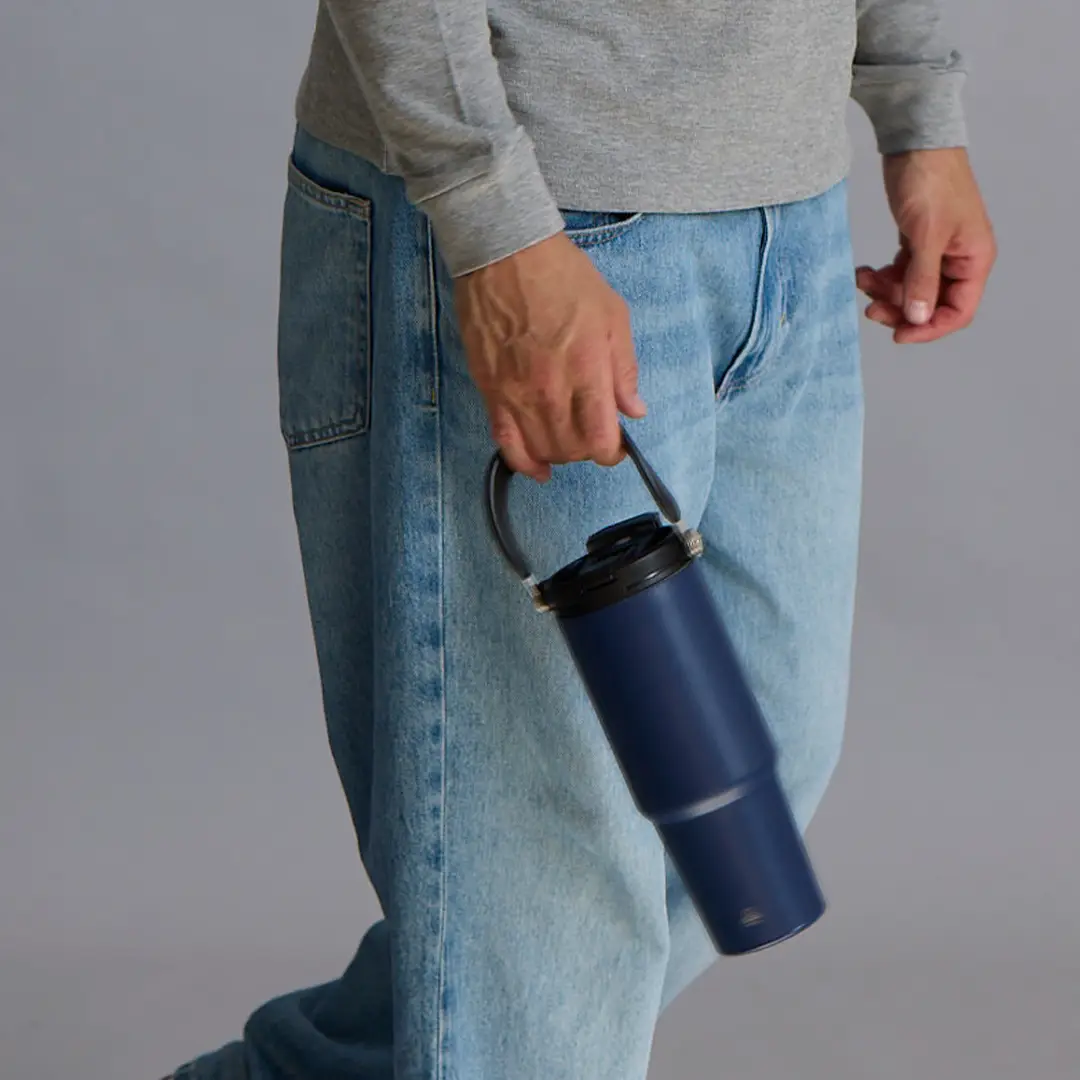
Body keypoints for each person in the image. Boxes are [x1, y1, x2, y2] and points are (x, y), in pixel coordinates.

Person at [164, 1, 995, 1077]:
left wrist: (918, 100)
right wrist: (494, 222)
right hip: (541, 208)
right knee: (541, 862)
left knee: (750, 779)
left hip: (786, 210)